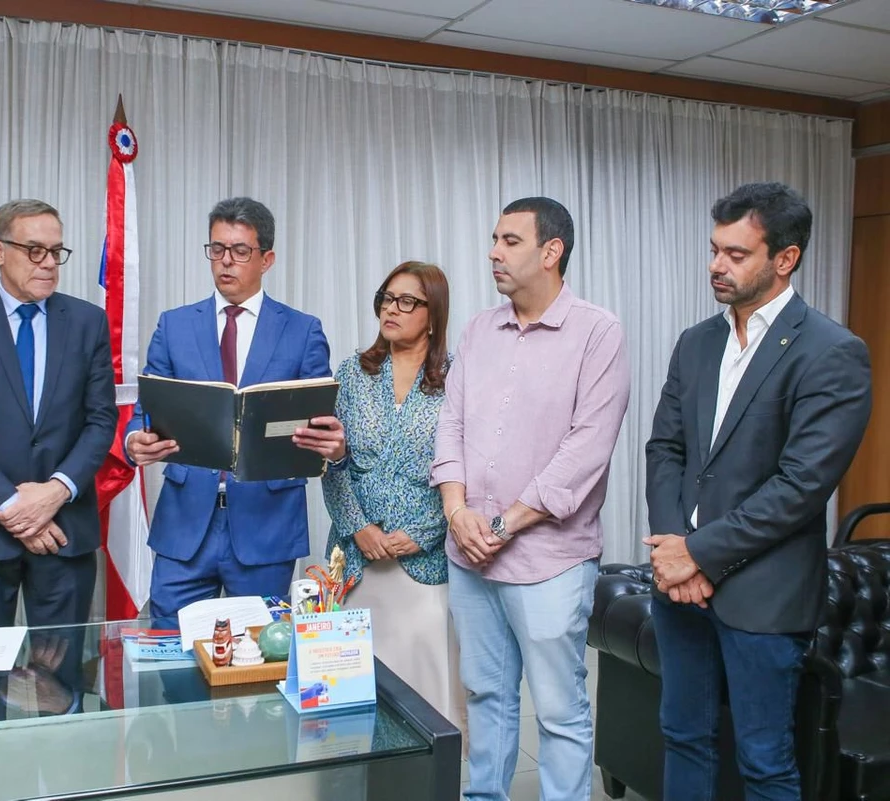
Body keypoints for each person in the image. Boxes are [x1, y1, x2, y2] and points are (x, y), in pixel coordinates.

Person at [644, 182, 872, 801]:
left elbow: (800, 486)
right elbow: (665, 449)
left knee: (765, 759)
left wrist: (700, 553)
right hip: (679, 583)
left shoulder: (832, 353)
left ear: (784, 259)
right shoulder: (697, 342)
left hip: (764, 593)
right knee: (682, 736)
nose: (717, 265)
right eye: (715, 249)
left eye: (737, 254)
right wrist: (673, 547)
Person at [432, 197, 630, 801]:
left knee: (559, 712)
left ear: (552, 251)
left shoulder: (599, 333)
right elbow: (452, 427)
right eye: (494, 239)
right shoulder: (477, 330)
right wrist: (456, 511)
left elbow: (586, 449)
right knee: (486, 699)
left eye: (510, 241)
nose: (493, 252)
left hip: (549, 561)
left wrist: (502, 522)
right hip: (470, 555)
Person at [125, 197, 336, 629]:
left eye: (240, 251)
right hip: (186, 526)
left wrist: (332, 442)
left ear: (267, 259)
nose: (226, 262)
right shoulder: (174, 325)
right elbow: (145, 411)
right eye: (217, 249)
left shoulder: (302, 331)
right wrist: (135, 440)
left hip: (266, 525)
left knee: (260, 658)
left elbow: (320, 419)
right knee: (172, 653)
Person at [0, 199, 117, 629]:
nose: (48, 263)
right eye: (34, 250)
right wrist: (13, 507)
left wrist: (55, 492)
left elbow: (101, 420)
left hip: (64, 532)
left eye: (56, 251)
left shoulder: (88, 322)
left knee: (62, 679)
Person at [320, 260, 465, 733]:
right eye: (387, 297)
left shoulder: (458, 380)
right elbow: (330, 461)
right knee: (347, 699)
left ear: (433, 313)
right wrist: (357, 528)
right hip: (354, 563)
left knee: (421, 702)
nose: (392, 309)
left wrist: (422, 533)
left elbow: (468, 472)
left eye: (408, 301)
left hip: (423, 564)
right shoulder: (351, 373)